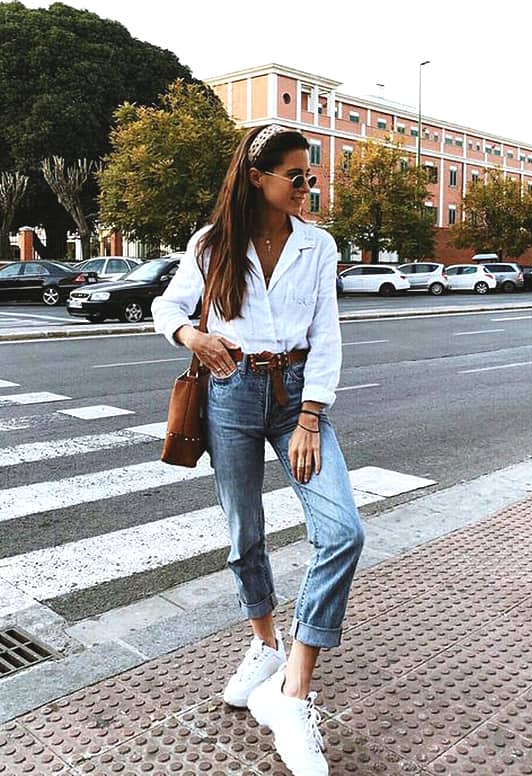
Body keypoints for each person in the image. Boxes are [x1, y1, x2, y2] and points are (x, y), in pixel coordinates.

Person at [152, 124, 364, 776]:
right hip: (229, 394)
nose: (307, 186)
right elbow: (167, 305)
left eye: (309, 174)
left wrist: (308, 418)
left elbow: (325, 335)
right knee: (244, 532)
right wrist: (190, 335)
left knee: (343, 531)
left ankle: (290, 691)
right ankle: (265, 646)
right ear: (257, 179)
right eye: (295, 176)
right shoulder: (212, 245)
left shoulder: (317, 245)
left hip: (296, 393)